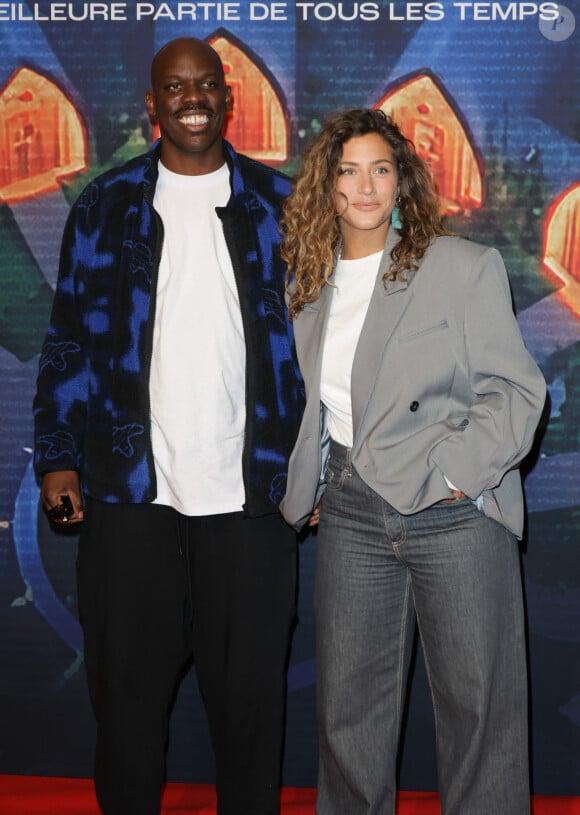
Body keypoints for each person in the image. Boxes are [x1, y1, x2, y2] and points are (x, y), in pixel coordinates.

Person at [33, 37, 304, 815]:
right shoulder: (104, 203)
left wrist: (315, 464)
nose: (192, 97)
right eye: (174, 86)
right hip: (130, 500)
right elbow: (69, 337)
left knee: (251, 713)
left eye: (206, 84)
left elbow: (319, 348)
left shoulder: (280, 206)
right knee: (125, 707)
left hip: (252, 502)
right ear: (152, 105)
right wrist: (58, 456)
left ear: (229, 98)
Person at [279, 109, 546, 815]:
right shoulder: (308, 280)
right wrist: (307, 483)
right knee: (348, 719)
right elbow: (313, 401)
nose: (364, 186)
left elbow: (518, 391)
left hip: (450, 514)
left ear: (402, 182)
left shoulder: (459, 266)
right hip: (352, 513)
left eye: (381, 168)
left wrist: (456, 472)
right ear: (325, 186)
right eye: (347, 170)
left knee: (478, 713)